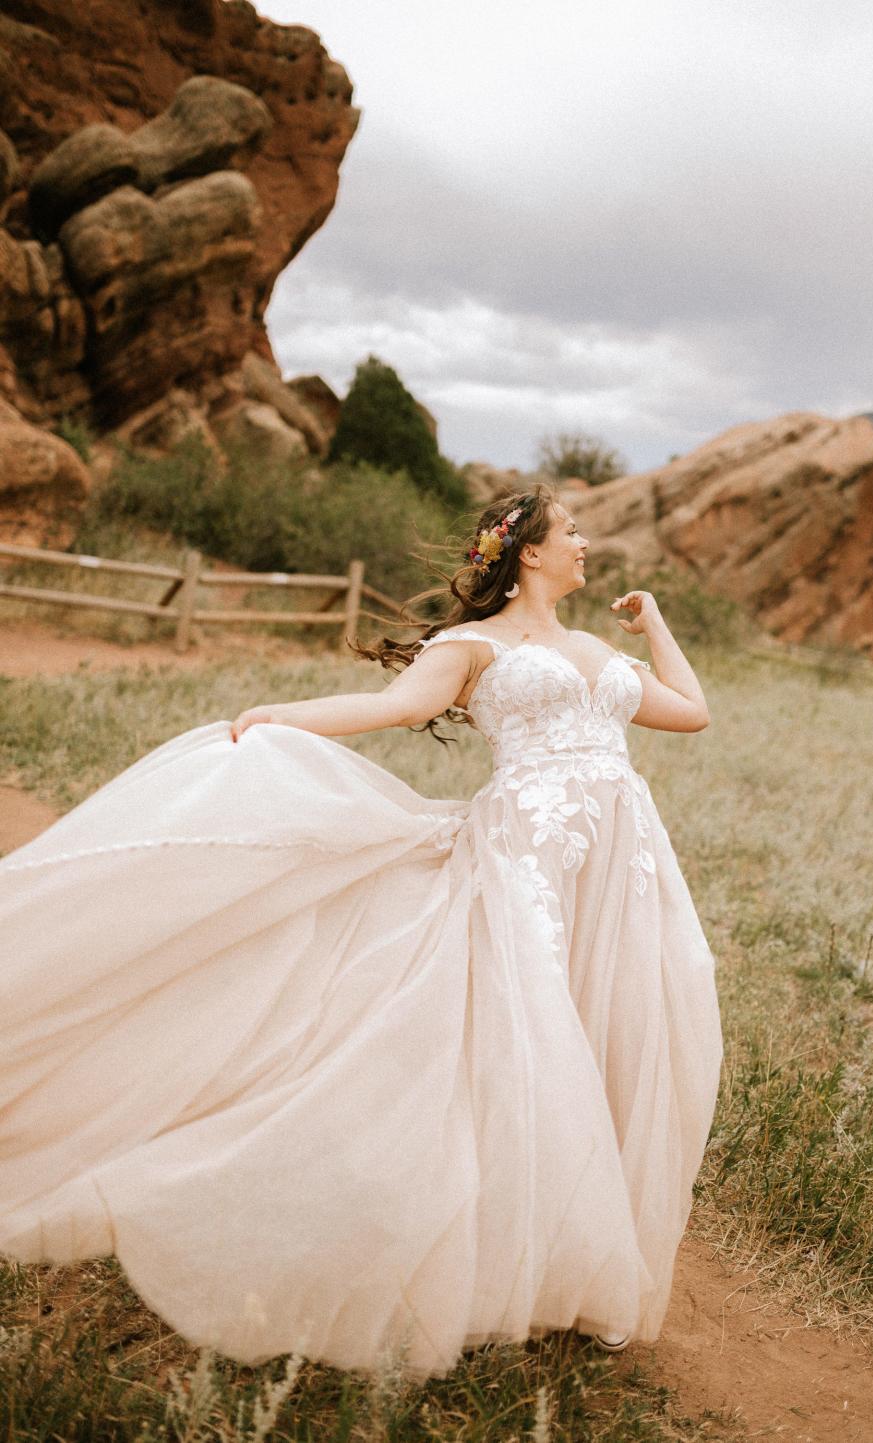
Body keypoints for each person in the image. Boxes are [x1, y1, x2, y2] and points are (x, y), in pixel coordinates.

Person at [0, 483, 723, 1379]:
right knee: (530, 1041)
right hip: (525, 860)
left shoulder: (592, 650)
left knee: (615, 1031)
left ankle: (588, 1260)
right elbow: (388, 708)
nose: (586, 544)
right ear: (529, 552)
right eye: (571, 531)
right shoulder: (472, 647)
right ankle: (505, 1256)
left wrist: (653, 625)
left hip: (622, 866)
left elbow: (690, 711)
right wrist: (278, 717)